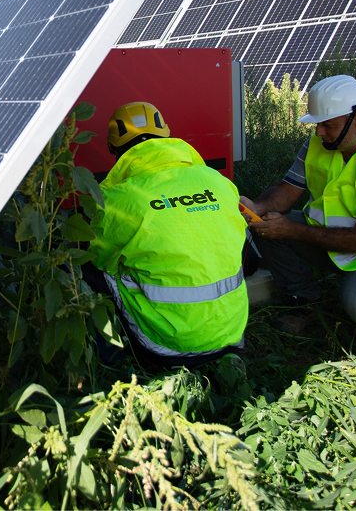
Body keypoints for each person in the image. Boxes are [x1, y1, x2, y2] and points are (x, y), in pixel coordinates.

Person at [240, 75, 356, 339]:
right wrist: (257, 207)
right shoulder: (319, 144)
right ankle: (303, 299)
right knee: (266, 225)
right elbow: (286, 191)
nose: (319, 132)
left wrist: (291, 231)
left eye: (327, 125)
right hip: (329, 236)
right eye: (318, 125)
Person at [88, 101, 248, 366]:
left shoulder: (113, 200)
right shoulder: (218, 182)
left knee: (85, 267)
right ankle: (222, 358)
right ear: (167, 136)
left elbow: (101, 259)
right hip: (232, 331)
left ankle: (112, 363)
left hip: (166, 346)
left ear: (112, 148)